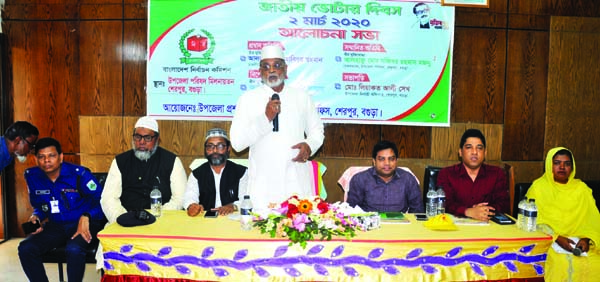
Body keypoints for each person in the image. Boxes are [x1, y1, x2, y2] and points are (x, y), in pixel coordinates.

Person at [230, 45, 324, 209]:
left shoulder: (301, 97)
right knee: (261, 231)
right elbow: (237, 144)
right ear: (260, 72)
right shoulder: (247, 99)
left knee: (297, 229)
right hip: (263, 184)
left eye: (277, 65)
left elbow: (317, 131)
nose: (271, 70)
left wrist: (309, 146)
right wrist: (266, 118)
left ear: (285, 69)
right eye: (266, 67)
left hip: (295, 179)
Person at [18, 137, 105, 282]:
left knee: (74, 249)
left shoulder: (79, 174)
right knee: (26, 248)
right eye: (41, 157)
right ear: (35, 159)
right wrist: (36, 217)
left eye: (51, 155)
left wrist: (87, 216)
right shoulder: (32, 176)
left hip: (83, 223)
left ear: (61, 157)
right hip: (56, 226)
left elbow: (102, 202)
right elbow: (41, 206)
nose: (46, 161)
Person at [525, 147, 600, 281]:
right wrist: (558, 238)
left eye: (567, 163)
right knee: (561, 265)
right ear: (549, 165)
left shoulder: (582, 189)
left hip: (580, 243)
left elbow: (593, 220)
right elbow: (534, 221)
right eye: (557, 163)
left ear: (572, 167)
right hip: (551, 242)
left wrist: (586, 239)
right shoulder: (538, 188)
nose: (562, 167)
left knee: (595, 264)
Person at [100, 116, 186, 223]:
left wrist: (156, 218)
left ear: (157, 139)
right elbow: (109, 199)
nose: (142, 142)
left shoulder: (172, 161)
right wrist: (124, 219)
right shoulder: (120, 161)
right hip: (125, 221)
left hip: (162, 221)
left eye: (147, 138)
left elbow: (180, 199)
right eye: (137, 137)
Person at [436, 128, 509, 221]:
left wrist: (482, 211)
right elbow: (444, 204)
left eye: (479, 148)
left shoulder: (497, 174)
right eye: (469, 147)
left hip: (488, 227)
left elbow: (503, 204)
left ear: (485, 153)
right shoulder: (446, 174)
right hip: (455, 228)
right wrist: (468, 211)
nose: (474, 152)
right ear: (460, 152)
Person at [184, 128, 248, 216]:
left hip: (232, 220)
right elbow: (190, 196)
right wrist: (192, 205)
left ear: (228, 148)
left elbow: (247, 199)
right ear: (205, 149)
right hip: (205, 221)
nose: (215, 150)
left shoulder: (241, 172)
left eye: (220, 146)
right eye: (210, 146)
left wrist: (233, 206)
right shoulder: (197, 174)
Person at [347, 140, 423, 213]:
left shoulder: (408, 179)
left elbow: (417, 210)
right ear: (374, 161)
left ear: (396, 161)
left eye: (391, 159)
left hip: (399, 224)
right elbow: (351, 210)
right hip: (369, 223)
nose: (387, 163)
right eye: (382, 159)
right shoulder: (360, 179)